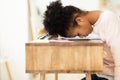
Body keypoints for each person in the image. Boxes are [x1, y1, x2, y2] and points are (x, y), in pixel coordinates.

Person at [43, 0, 120, 80]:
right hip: (102, 74)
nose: (81, 36)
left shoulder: (108, 20)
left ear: (79, 20)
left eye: (78, 34)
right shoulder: (92, 25)